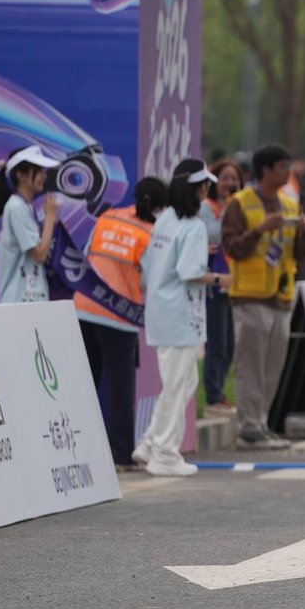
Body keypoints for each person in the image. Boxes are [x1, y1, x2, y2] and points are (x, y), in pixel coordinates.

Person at [134, 162, 230, 477]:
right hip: (180, 314)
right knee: (178, 384)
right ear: (198, 188)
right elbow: (190, 272)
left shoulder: (165, 220)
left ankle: (151, 444)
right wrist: (219, 279)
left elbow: (149, 265)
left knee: (181, 382)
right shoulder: (193, 226)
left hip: (163, 309)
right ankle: (164, 451)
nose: (207, 189)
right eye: (205, 184)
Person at [222, 144, 305, 449]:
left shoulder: (290, 205)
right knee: (251, 365)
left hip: (281, 296)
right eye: (282, 167)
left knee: (273, 365)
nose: (288, 172)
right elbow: (232, 246)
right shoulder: (240, 203)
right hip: (250, 296)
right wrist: (260, 229)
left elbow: (302, 254)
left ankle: (261, 422)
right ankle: (249, 428)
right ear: (265, 170)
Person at [75, 177, 164, 470]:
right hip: (118, 317)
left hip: (85, 308)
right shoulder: (150, 233)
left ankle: (77, 448)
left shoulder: (109, 216)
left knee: (85, 381)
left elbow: (88, 252)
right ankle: (121, 454)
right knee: (120, 387)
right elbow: (151, 279)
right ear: (161, 206)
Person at [0, 145, 62, 304]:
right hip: (19, 300)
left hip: (31, 298)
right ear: (21, 176)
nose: (44, 176)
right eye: (38, 171)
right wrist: (50, 218)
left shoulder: (26, 207)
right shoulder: (16, 207)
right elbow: (39, 254)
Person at [201, 159, 242, 413]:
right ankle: (213, 396)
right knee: (217, 342)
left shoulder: (237, 206)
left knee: (229, 343)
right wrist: (230, 211)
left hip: (234, 282)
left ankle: (219, 394)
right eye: (225, 178)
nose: (230, 183)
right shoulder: (207, 208)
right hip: (213, 283)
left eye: (234, 178)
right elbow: (215, 235)